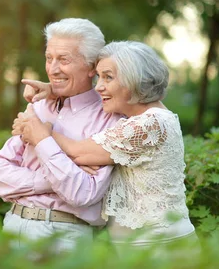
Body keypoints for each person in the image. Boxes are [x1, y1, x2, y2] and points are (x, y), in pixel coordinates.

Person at [13, 41, 198, 252]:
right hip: (140, 245)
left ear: (134, 80)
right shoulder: (142, 118)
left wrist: (40, 131)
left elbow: (78, 152)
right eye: (99, 76)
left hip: (160, 246)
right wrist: (56, 92)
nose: (99, 86)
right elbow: (85, 129)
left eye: (108, 77)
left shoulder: (149, 124)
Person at [0, 18, 122, 252]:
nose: (53, 69)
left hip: (64, 237)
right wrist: (56, 179)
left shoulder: (110, 118)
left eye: (64, 60)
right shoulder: (38, 107)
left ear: (92, 67)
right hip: (13, 227)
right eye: (49, 58)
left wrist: (42, 141)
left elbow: (83, 193)